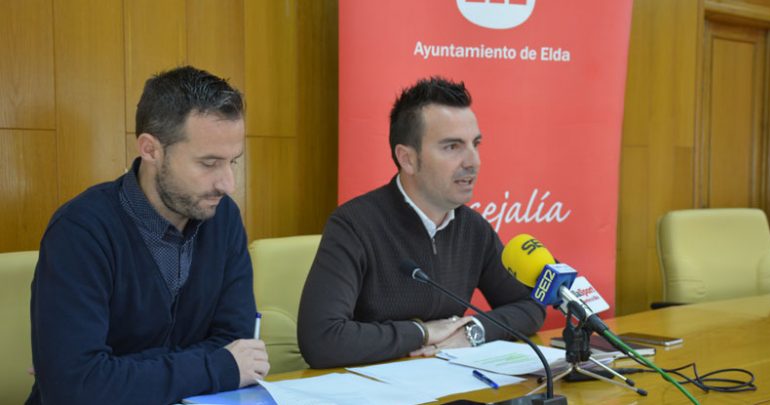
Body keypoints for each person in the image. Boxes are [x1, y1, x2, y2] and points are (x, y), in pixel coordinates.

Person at [27, 66, 269, 405]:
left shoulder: (222, 217)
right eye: (209, 163)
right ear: (151, 149)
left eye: (233, 162)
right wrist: (216, 366)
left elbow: (236, 342)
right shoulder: (80, 231)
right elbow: (75, 389)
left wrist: (117, 370)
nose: (227, 184)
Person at [297, 76, 546, 368]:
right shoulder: (354, 225)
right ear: (408, 159)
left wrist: (473, 332)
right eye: (452, 147)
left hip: (449, 382)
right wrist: (422, 333)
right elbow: (321, 340)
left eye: (475, 144)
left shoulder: (473, 228)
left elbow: (531, 305)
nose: (473, 161)